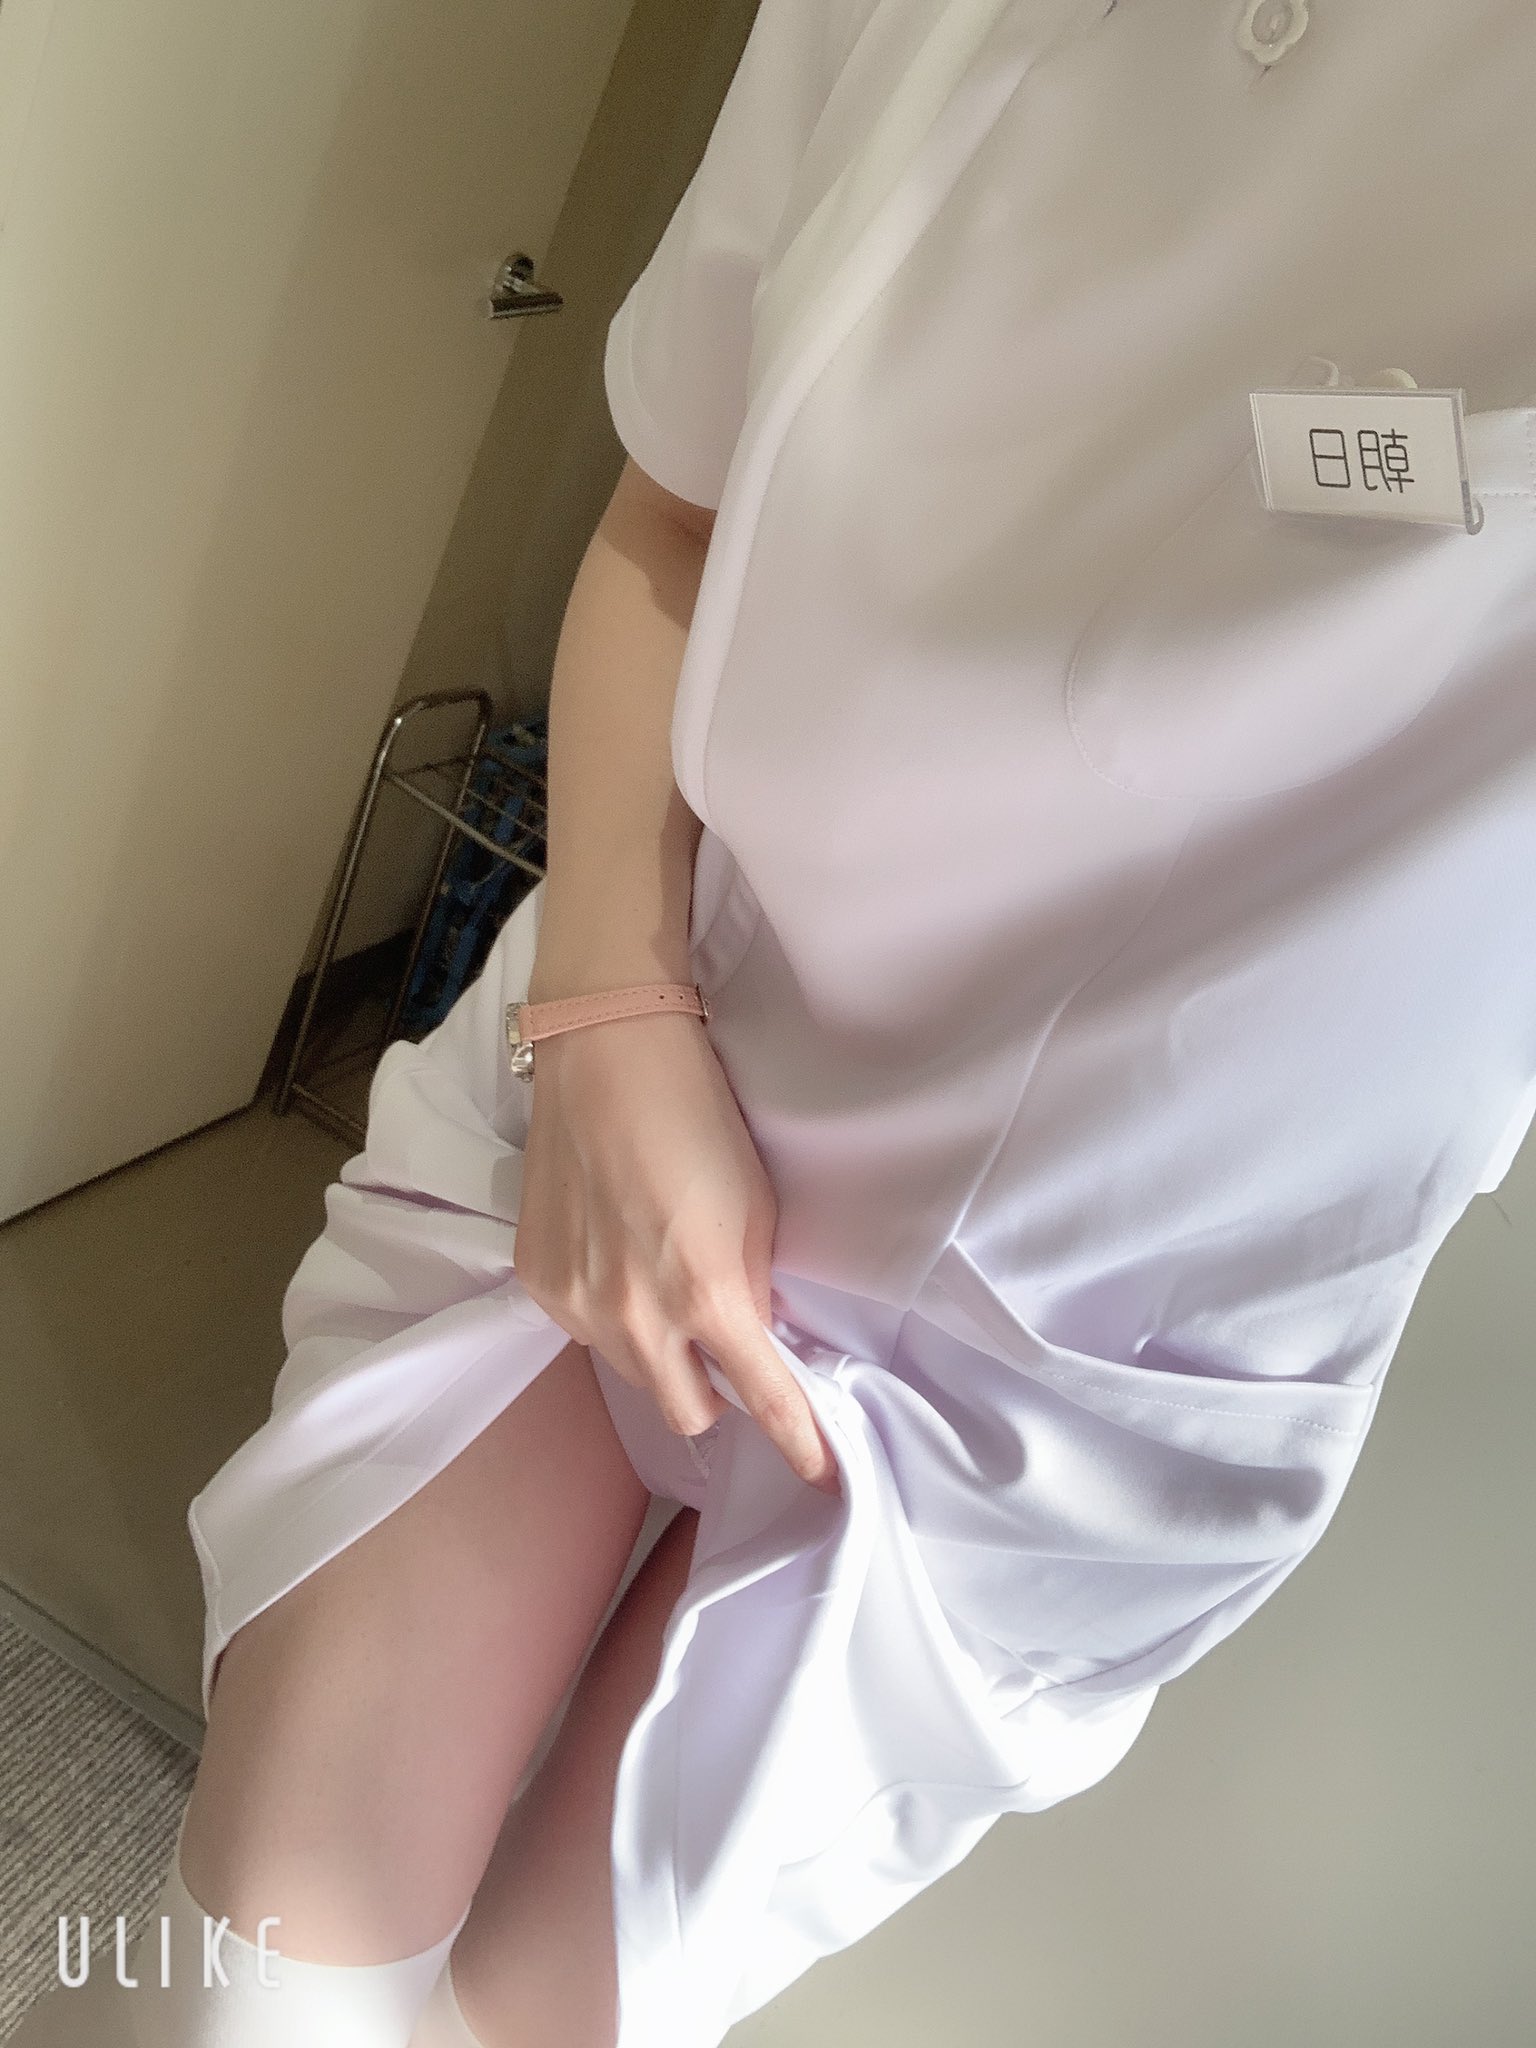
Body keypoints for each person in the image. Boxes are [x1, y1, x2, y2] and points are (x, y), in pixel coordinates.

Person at [13, 1, 1536, 2043]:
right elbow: (673, 514)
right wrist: (609, 1011)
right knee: (236, 1995)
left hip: (1086, 1363)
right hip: (641, 1065)